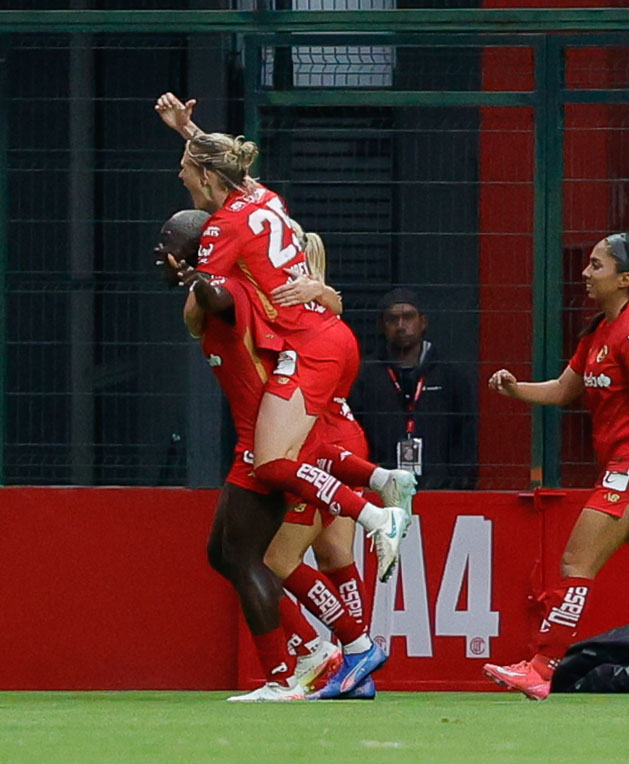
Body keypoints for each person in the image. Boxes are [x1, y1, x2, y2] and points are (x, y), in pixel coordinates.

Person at [156, 92, 412, 585]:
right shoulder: (262, 197)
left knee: (271, 463)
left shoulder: (222, 227)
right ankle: (384, 483)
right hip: (332, 336)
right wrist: (188, 132)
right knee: (298, 455)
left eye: (186, 170)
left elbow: (208, 298)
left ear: (207, 177)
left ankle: (379, 515)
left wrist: (188, 276)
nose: (182, 177)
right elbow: (229, 169)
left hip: (308, 348)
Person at [156, 211, 408, 701]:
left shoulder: (227, 292)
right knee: (228, 555)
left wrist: (199, 273)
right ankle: (344, 647)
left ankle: (291, 669)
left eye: (165, 244)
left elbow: (218, 295)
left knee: (262, 557)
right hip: (266, 433)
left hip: (268, 437)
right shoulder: (229, 294)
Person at [482, 233, 629, 702]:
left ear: (625, 279)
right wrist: (514, 390)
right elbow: (561, 389)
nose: (586, 274)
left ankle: (540, 667)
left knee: (576, 562)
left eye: (596, 266)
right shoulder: (599, 330)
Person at [349, 288, 477, 490]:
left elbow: (465, 436)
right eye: (393, 319)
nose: (401, 326)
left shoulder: (450, 376)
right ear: (382, 325)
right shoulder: (364, 376)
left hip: (440, 490)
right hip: (379, 488)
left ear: (423, 322)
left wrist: (458, 483)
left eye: (408, 317)